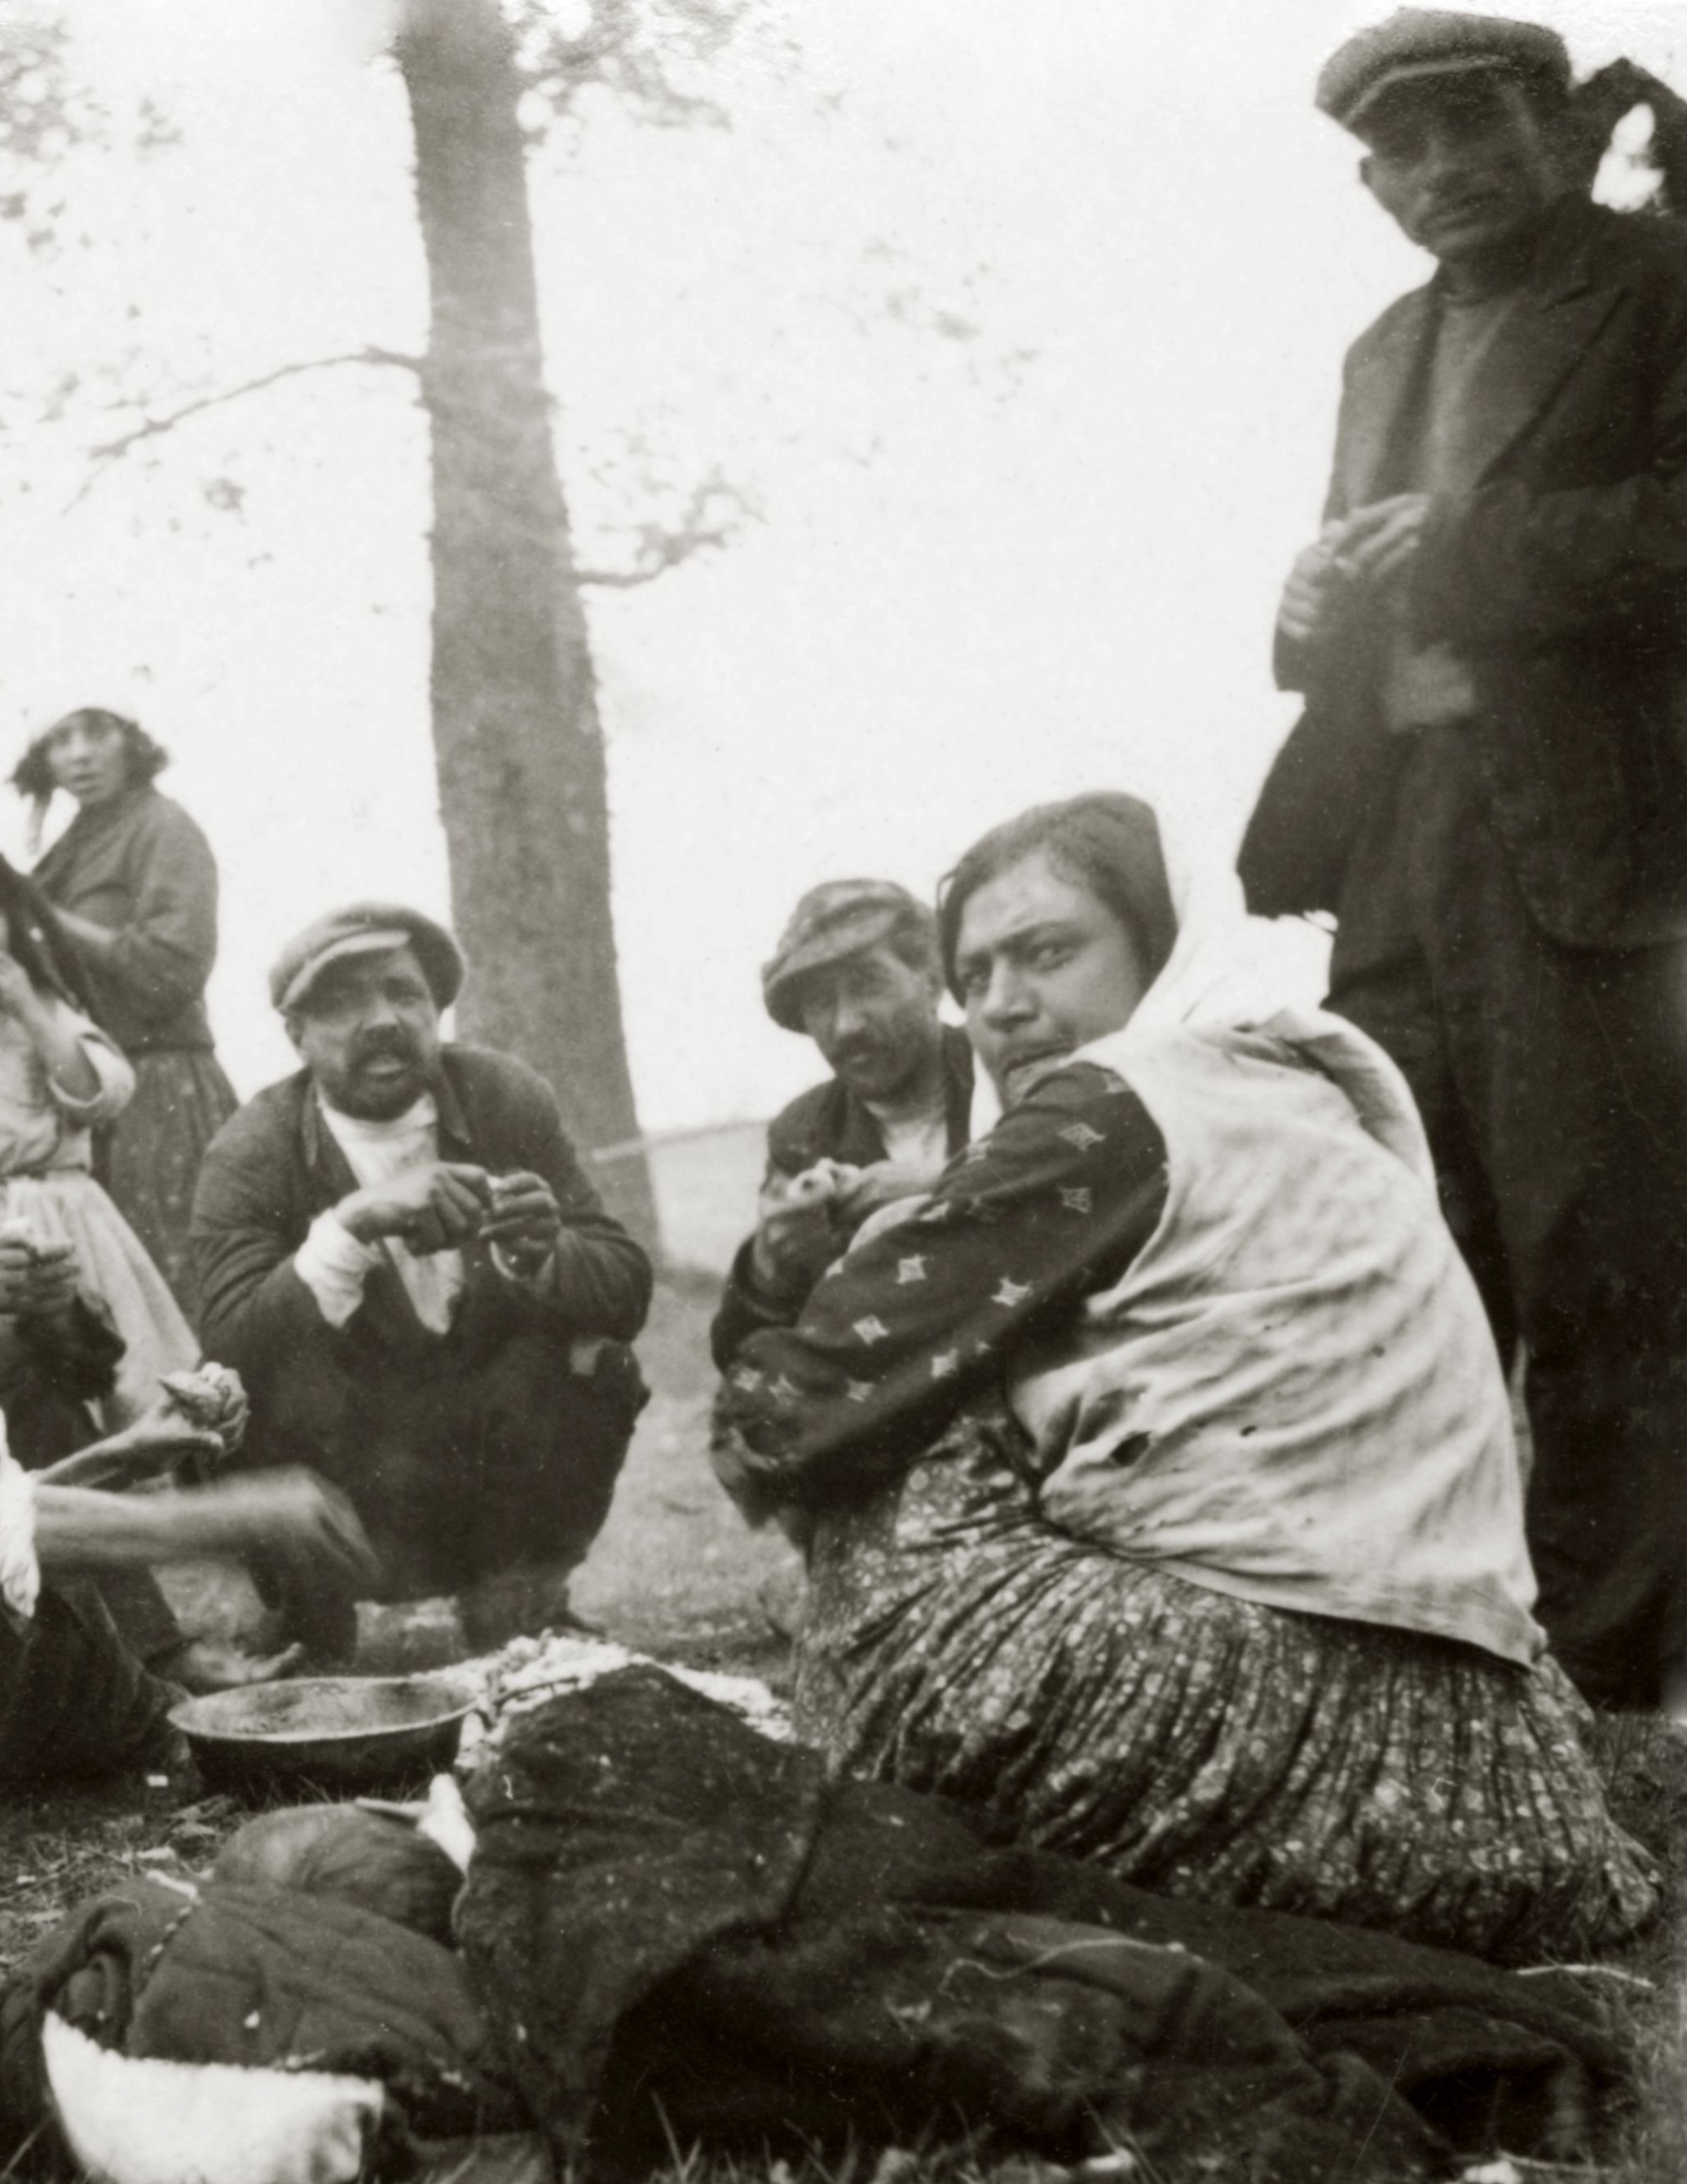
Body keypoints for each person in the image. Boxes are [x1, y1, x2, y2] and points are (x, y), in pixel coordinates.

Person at [713, 794, 1654, 1963]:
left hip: (1262, 1736)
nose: (1005, 1003)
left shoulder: (1110, 1099)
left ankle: (935, 1798)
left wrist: (820, 1272)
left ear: (1157, 945)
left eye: (1050, 952)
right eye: (980, 973)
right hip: (1494, 1787)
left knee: (893, 1420)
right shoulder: (1291, 1078)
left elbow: (788, 1411)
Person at [1238, 8, 1687, 1712]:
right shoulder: (1375, 349)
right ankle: (1452, 1646)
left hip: (1583, 839)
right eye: (1398, 151)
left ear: (1542, 121)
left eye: (1465, 130)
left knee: (1598, 1256)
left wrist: (1469, 540)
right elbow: (1366, 602)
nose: (1436, 174)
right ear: (1366, 184)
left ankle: (1621, 1672)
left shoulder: (1651, 283)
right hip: (1389, 845)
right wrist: (1299, 615)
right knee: (1406, 1249)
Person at [0, 1034, 372, 1794]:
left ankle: (158, 1717)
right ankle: (160, 1722)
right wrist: (242, 1514)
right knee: (33, 1607)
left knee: (36, 1590)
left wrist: (129, 1452)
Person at [187, 901, 652, 1665]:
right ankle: (312, 1626)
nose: (381, 1020)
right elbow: (230, 1359)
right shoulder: (251, 1150)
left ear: (437, 1007)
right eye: (340, 1002)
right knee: (247, 1408)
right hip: (351, 1478)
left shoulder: (504, 1096)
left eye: (403, 992)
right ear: (295, 1035)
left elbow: (626, 1291)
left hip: (482, 1459)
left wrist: (544, 1251)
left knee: (594, 1363)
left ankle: (518, 1606)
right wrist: (352, 1225)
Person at [0, 818, 201, 1420]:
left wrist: (31, 1009)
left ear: (12, 919)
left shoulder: (45, 1006)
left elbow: (102, 1095)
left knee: (114, 1389)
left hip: (61, 1223)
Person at [15, 705, 237, 1307]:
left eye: (96, 732)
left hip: (160, 1093)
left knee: (174, 1299)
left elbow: (173, 969)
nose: (80, 753)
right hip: (88, 1101)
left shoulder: (163, 827)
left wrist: (47, 918)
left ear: (131, 740)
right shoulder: (71, 843)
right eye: (61, 739)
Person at [710, 878, 980, 1368]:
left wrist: (945, 1188)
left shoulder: (1001, 1070)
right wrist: (773, 1267)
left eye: (868, 985)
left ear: (932, 980)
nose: (845, 1025)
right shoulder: (805, 1132)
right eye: (819, 1002)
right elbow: (741, 1355)